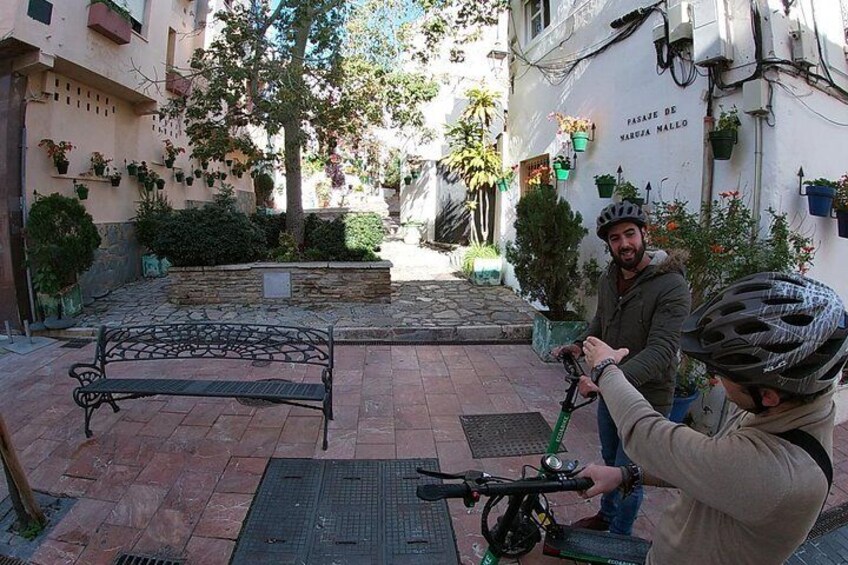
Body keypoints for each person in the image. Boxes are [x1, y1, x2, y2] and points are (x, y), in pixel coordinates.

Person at [577, 272, 848, 564]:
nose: (715, 377)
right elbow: (707, 468)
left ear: (768, 394)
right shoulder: (783, 413)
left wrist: (605, 369)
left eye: (722, 372)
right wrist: (627, 475)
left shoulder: (779, 475)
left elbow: (647, 433)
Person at [552, 201, 691, 535]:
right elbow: (602, 321)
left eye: (630, 234)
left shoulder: (671, 285)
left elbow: (661, 351)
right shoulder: (610, 276)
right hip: (609, 392)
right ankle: (606, 516)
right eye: (615, 238)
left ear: (644, 233)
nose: (624, 243)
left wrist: (604, 378)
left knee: (631, 473)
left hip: (647, 399)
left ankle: (619, 537)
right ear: (609, 244)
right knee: (610, 457)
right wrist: (579, 342)